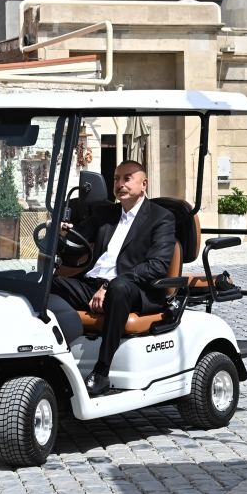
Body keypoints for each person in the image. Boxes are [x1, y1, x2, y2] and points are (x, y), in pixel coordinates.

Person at [51, 160, 176, 396]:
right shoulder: (105, 213)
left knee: (119, 288)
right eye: (116, 179)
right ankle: (53, 358)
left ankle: (101, 371)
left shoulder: (161, 218)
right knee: (44, 285)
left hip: (135, 289)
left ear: (143, 184)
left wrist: (108, 286)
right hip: (92, 286)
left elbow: (157, 266)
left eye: (127, 178)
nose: (120, 184)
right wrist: (59, 235)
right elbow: (76, 241)